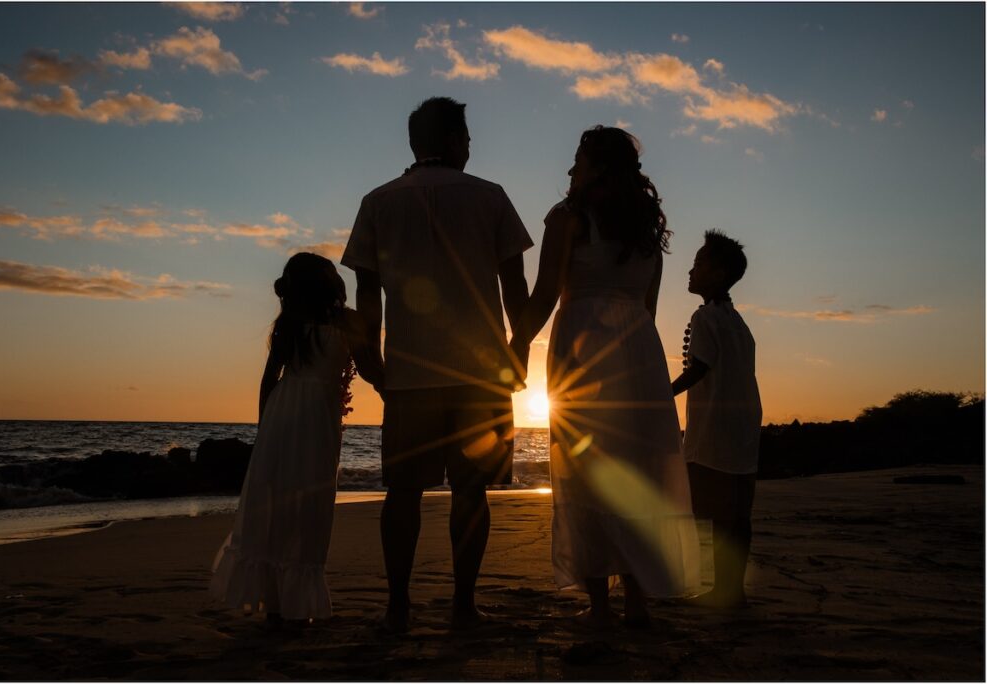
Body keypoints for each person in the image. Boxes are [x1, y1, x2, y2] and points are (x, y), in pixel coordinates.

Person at [341, 96, 532, 632]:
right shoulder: (489, 196)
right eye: (467, 138)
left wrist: (368, 356)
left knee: (403, 491)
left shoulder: (378, 201)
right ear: (452, 140)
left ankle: (398, 607)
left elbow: (365, 288)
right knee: (470, 492)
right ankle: (463, 605)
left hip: (409, 370)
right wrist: (520, 347)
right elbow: (513, 283)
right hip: (479, 373)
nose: (470, 147)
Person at [510, 126, 699, 629]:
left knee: (586, 471)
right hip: (637, 353)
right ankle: (636, 600)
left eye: (578, 161)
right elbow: (649, 309)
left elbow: (545, 294)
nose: (571, 171)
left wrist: (515, 347)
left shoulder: (567, 218)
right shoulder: (645, 231)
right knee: (638, 472)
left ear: (599, 167)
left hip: (582, 350)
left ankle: (600, 606)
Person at [211, 252, 383, 624]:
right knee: (310, 502)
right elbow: (370, 370)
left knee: (276, 499)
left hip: (282, 413)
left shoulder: (290, 322)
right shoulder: (346, 321)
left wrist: (263, 430)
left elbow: (269, 380)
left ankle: (276, 603)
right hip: (316, 419)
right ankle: (293, 601)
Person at [671, 230, 762, 609]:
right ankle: (733, 588)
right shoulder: (737, 321)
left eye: (699, 264)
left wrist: (663, 393)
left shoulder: (706, 316)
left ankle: (724, 590)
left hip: (715, 430)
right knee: (739, 514)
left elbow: (699, 368)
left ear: (719, 272)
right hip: (743, 427)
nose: (690, 270)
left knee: (716, 514)